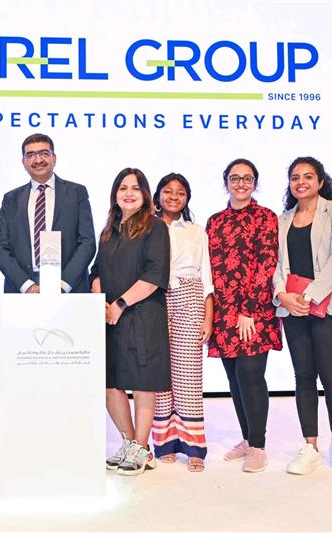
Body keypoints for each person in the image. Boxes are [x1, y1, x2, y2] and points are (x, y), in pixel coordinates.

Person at [272, 156, 332, 475]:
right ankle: (309, 445)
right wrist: (283, 295)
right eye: (295, 177)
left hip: (330, 304)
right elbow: (277, 266)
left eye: (308, 176)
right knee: (304, 377)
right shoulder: (283, 219)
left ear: (321, 182)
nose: (301, 182)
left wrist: (308, 297)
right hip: (292, 306)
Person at [91, 168, 171, 476]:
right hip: (110, 317)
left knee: (142, 382)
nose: (128, 193)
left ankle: (142, 447)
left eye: (135, 188)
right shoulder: (109, 230)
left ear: (145, 194)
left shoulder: (155, 227)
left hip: (141, 315)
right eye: (122, 187)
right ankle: (128, 443)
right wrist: (102, 304)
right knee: (110, 381)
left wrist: (121, 304)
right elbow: (95, 271)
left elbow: (154, 274)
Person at [205, 158, 282, 473]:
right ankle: (248, 439)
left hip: (254, 312)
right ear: (226, 181)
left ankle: (259, 446)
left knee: (251, 376)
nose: (240, 183)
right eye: (234, 178)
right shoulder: (214, 221)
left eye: (247, 178)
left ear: (255, 182)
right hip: (224, 313)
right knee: (235, 379)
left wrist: (248, 310)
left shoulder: (265, 218)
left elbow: (267, 264)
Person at [149, 173, 213, 472]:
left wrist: (208, 316)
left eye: (180, 192)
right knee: (160, 372)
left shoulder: (196, 231)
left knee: (188, 371)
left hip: (190, 295)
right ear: (158, 194)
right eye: (168, 191)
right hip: (156, 296)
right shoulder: (146, 226)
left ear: (187, 197)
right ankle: (164, 442)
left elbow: (207, 275)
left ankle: (193, 446)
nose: (174, 197)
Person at [0, 133, 96, 294]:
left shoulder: (77, 193)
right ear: (23, 162)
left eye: (44, 153)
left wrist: (63, 284)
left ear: (54, 158)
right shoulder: (11, 199)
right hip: (23, 291)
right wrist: (26, 285)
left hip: (70, 288)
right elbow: (0, 247)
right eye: (31, 155)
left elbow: (87, 243)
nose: (38, 160)